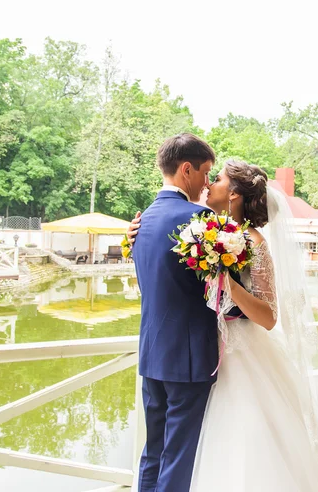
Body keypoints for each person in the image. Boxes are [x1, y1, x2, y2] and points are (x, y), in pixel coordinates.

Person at [128, 158, 318, 492]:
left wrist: (229, 285)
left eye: (218, 178)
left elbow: (269, 316)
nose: (209, 183)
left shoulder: (255, 244)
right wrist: (132, 236)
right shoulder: (206, 231)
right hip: (204, 353)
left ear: (234, 195)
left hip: (240, 356)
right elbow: (164, 263)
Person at [131, 133, 217, 492]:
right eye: (205, 173)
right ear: (186, 170)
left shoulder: (141, 222)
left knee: (154, 451)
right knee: (179, 456)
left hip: (152, 354)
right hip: (189, 358)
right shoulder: (200, 219)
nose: (207, 183)